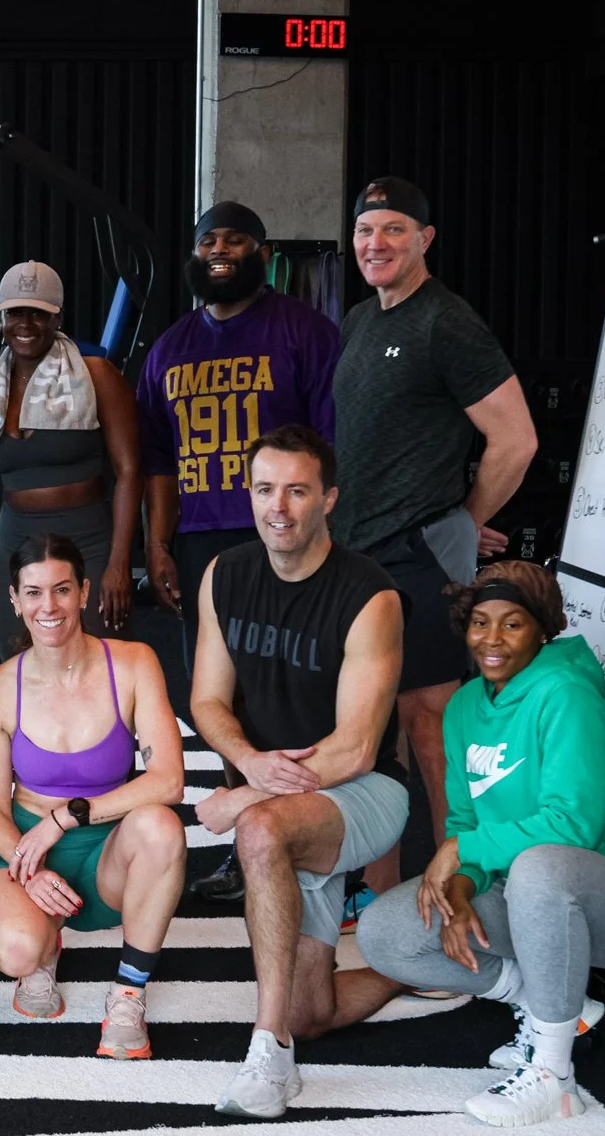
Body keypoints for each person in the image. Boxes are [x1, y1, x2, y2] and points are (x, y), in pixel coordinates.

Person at [357, 563, 605, 1127]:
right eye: (480, 623)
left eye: (513, 624)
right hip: (528, 895)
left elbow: (571, 827)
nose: (493, 640)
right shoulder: (462, 709)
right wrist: (459, 890)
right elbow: (463, 821)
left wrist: (462, 853)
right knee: (389, 932)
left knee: (539, 867)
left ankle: (554, 1078)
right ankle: (547, 1001)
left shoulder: (565, 696)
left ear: (541, 629)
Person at [189, 425, 408, 1119]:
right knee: (317, 1010)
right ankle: (442, 968)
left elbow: (356, 750)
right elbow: (206, 699)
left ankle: (268, 1054)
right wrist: (250, 762)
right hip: (282, 793)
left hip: (365, 793)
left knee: (255, 832)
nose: (277, 506)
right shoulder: (226, 574)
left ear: (329, 499)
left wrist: (243, 793)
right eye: (263, 488)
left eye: (296, 490)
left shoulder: (371, 595)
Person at [134, 201, 341, 904]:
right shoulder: (169, 348)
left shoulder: (306, 333)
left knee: (299, 689)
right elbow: (158, 460)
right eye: (207, 240)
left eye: (235, 238)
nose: (219, 249)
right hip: (202, 545)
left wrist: (323, 534)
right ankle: (251, 836)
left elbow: (331, 448)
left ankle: (318, 840)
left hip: (286, 538)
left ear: (261, 250)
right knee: (220, 697)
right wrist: (158, 545)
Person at [332, 176, 537, 886]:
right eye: (366, 230)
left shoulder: (446, 321)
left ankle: (464, 884)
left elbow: (515, 441)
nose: (376, 242)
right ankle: (379, 893)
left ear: (425, 239)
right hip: (357, 557)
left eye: (393, 229)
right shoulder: (361, 321)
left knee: (431, 727)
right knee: (370, 730)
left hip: (415, 558)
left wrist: (459, 524)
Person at [0, 533, 186, 1057]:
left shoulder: (134, 663)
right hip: (26, 846)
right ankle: (44, 942)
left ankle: (128, 991)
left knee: (160, 824)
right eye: (35, 592)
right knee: (18, 951)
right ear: (14, 601)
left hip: (110, 851)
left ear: (85, 593)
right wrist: (28, 866)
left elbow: (169, 780)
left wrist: (67, 816)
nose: (50, 606)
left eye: (63, 590)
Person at [0, 260, 141, 656]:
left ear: (58, 317)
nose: (26, 323)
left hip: (87, 542)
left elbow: (130, 472)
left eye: (39, 313)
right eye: (15, 312)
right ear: (1, 318)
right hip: (12, 545)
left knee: (96, 669)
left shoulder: (97, 376)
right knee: (20, 668)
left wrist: (119, 563)